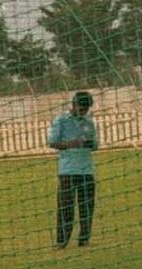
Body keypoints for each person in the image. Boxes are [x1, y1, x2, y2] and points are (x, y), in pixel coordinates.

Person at [48, 90, 99, 249]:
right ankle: (61, 241)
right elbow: (53, 143)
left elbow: (95, 145)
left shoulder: (89, 122)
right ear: (74, 104)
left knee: (87, 206)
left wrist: (88, 143)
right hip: (68, 170)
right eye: (82, 108)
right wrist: (72, 143)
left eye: (87, 109)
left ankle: (84, 239)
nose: (84, 111)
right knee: (66, 207)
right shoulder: (61, 121)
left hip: (87, 170)